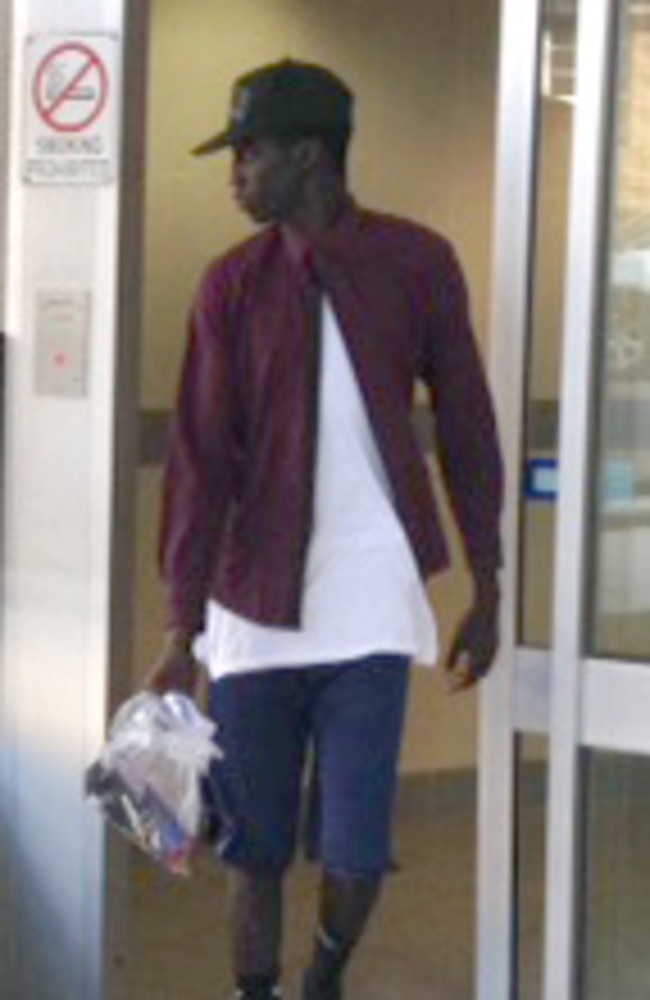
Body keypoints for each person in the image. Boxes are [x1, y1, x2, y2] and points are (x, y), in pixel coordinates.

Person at [147, 58, 503, 1000]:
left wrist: (490, 580)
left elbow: (466, 421)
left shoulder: (416, 262)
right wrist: (181, 632)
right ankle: (255, 994)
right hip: (252, 613)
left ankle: (325, 978)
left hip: (373, 607)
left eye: (248, 154)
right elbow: (198, 458)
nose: (234, 175)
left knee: (356, 845)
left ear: (309, 156)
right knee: (252, 851)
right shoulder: (230, 284)